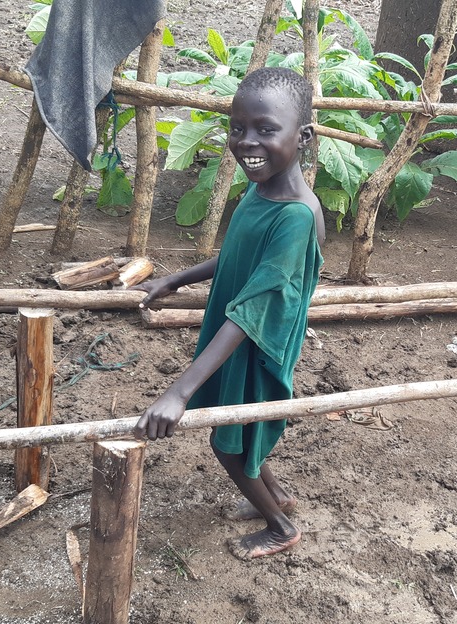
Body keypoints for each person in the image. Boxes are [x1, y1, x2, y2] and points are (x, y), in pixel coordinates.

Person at [132, 67, 325, 560]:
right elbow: (239, 255)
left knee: (227, 442)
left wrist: (179, 390)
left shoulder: (296, 215)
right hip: (234, 331)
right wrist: (177, 278)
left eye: (265, 129)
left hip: (256, 340)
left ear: (303, 137)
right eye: (238, 128)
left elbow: (255, 308)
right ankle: (277, 497)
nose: (246, 142)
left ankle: (280, 526)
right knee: (241, 429)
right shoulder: (264, 190)